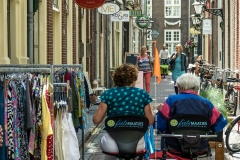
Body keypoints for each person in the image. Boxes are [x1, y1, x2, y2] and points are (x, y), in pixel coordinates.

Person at [155, 73, 228, 153]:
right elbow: (220, 124)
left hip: (174, 146)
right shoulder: (206, 103)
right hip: (200, 147)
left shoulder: (172, 100)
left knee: (164, 135)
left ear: (182, 88)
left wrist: (161, 111)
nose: (177, 89)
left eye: (178, 87)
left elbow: (159, 125)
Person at [93, 63, 154, 154]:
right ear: (134, 78)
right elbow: (150, 121)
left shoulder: (109, 94)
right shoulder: (142, 94)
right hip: (137, 144)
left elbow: (96, 120)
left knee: (109, 153)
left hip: (112, 144)